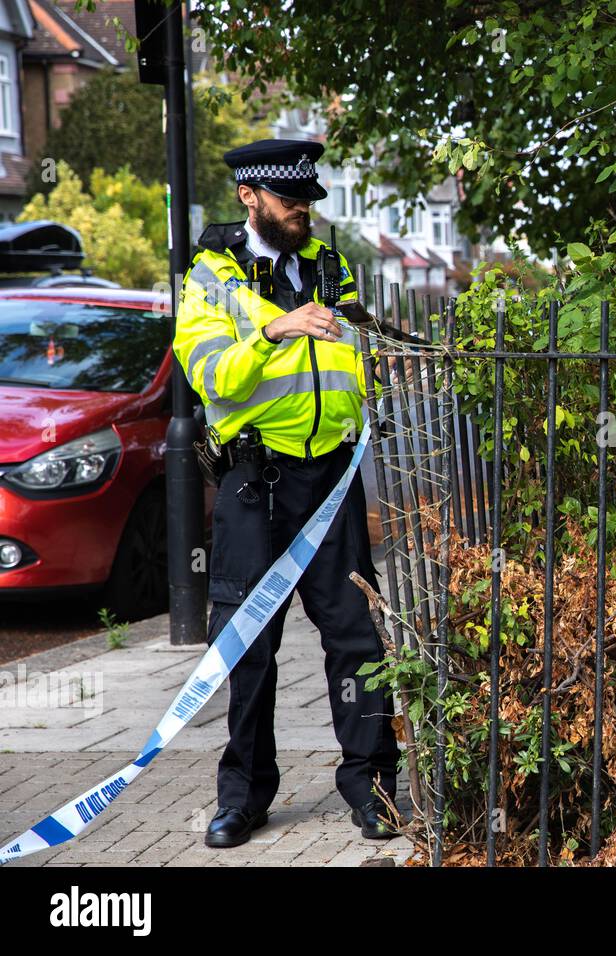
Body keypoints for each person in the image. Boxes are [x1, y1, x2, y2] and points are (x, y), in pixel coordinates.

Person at [172, 138, 400, 848]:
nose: (304, 212)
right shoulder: (211, 275)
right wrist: (275, 328)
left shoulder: (331, 268)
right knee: (249, 645)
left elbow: (357, 357)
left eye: (308, 201)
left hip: (330, 478)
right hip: (253, 482)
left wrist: (382, 377)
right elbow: (209, 373)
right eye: (290, 202)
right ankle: (244, 795)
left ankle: (373, 789)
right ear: (249, 197)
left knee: (358, 639)